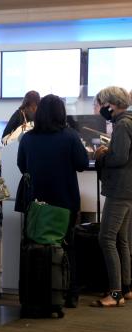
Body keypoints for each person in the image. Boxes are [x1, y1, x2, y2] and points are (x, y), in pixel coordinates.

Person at [16, 94, 89, 308]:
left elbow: (22, 166)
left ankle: (37, 291)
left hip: (36, 203)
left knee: (35, 243)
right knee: (67, 246)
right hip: (65, 202)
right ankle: (70, 294)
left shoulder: (28, 138)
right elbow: (82, 164)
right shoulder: (70, 136)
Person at [92, 86, 132, 307]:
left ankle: (115, 293)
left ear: (111, 105)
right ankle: (126, 288)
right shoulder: (129, 121)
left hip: (120, 189)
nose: (99, 108)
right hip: (129, 189)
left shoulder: (123, 125)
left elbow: (119, 159)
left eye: (100, 104)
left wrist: (102, 155)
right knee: (122, 239)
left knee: (106, 238)